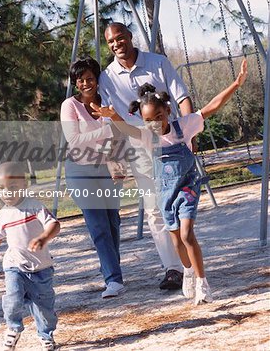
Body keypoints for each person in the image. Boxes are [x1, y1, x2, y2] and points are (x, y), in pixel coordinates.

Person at [92, 59, 248, 304]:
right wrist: (112, 115)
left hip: (187, 188)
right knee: (176, 238)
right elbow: (124, 127)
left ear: (167, 111)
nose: (155, 124)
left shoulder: (182, 127)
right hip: (165, 193)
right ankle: (186, 270)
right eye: (148, 120)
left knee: (187, 235)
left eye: (158, 116)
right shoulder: (146, 136)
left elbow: (210, 108)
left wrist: (236, 84)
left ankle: (202, 282)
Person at [99, 22, 194, 290]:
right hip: (139, 149)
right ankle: (173, 269)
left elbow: (182, 97)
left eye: (120, 38)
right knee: (154, 209)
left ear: (129, 37)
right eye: (111, 42)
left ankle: (190, 262)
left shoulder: (157, 63)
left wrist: (189, 133)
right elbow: (111, 121)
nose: (116, 44)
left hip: (170, 143)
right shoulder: (108, 77)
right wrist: (113, 157)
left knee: (179, 203)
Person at [60, 57, 125, 299]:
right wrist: (109, 129)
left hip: (107, 168)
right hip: (80, 171)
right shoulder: (70, 106)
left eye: (90, 78)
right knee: (98, 225)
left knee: (113, 223)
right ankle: (114, 279)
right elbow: (75, 140)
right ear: (76, 83)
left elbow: (119, 136)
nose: (86, 83)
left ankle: (112, 270)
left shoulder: (108, 102)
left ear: (97, 80)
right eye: (81, 80)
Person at [0, 162, 60, 351]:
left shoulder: (34, 207)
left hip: (41, 268)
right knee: (13, 298)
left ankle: (46, 335)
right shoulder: (1, 216)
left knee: (44, 308)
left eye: (12, 187)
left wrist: (43, 237)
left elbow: (54, 224)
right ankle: (13, 327)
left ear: (24, 185)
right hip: (14, 266)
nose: (7, 192)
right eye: (1, 188)